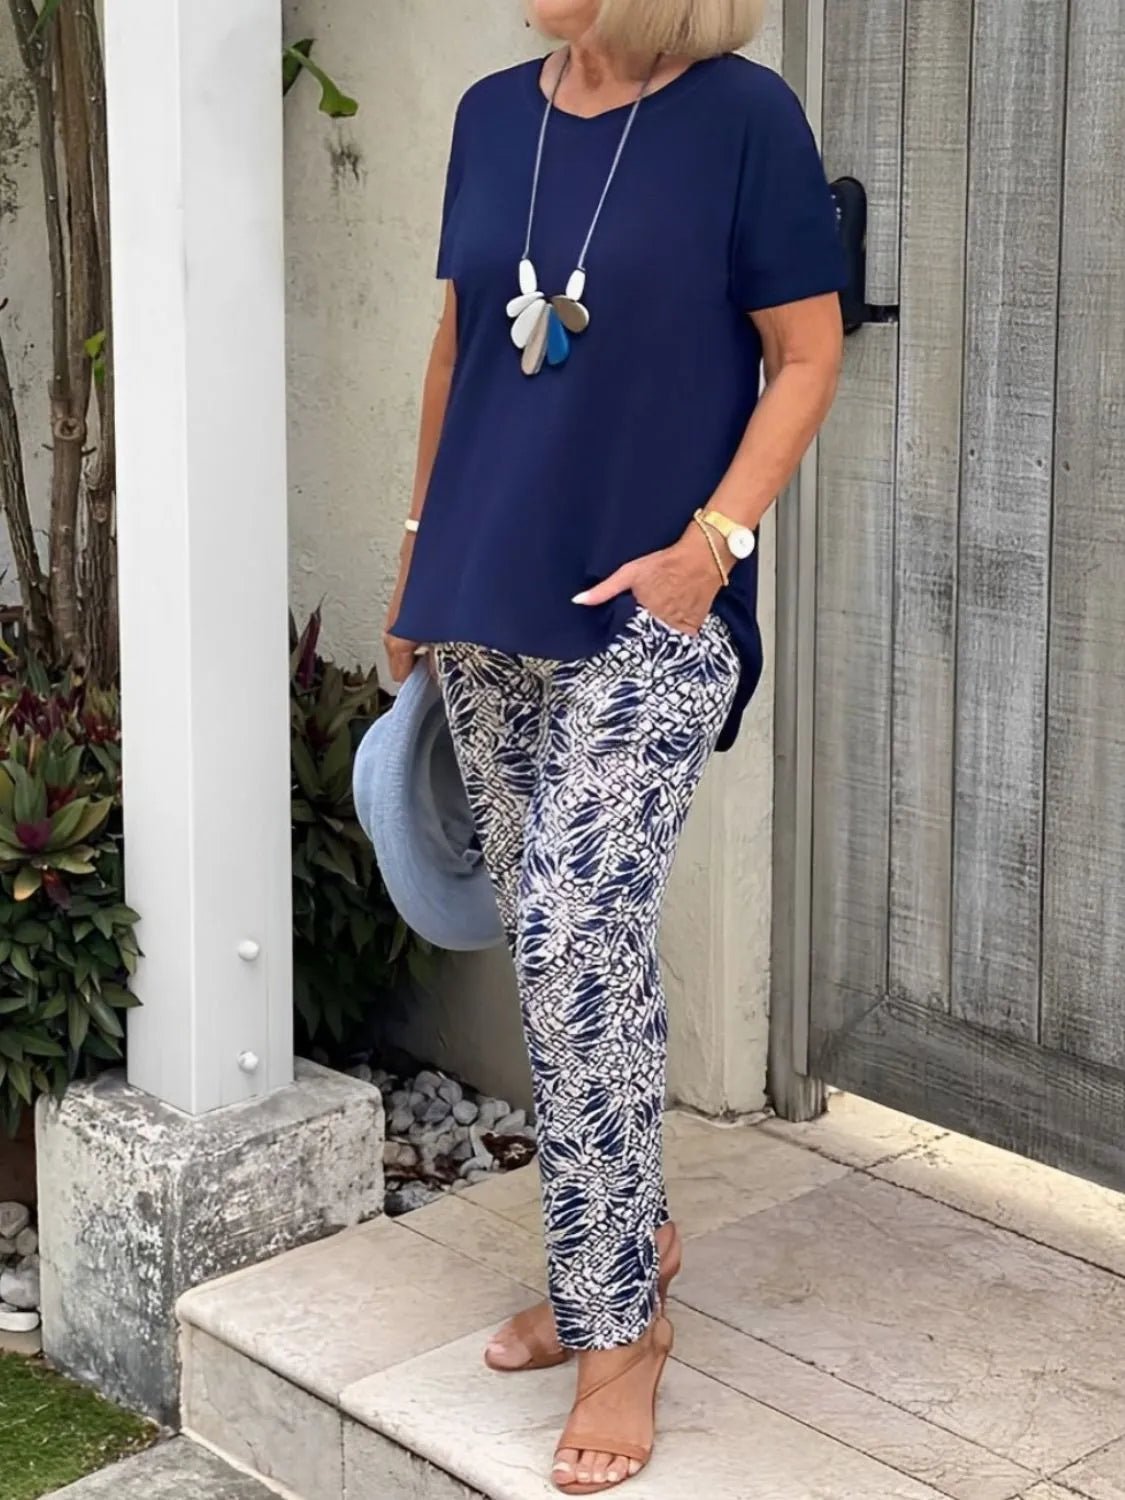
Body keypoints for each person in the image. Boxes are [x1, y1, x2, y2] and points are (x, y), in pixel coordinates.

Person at [384, 1, 844, 1491]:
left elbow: (805, 355)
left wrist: (712, 548)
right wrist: (416, 562)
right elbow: (458, 349)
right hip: (486, 596)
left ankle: (620, 1333)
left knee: (578, 933)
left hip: (657, 607)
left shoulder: (742, 118)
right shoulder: (488, 114)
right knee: (560, 957)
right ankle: (618, 1252)